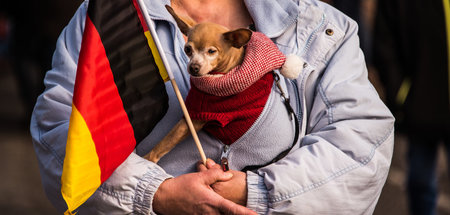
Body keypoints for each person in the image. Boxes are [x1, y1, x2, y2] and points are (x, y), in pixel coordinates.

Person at [31, 0, 395, 214]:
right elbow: (59, 124)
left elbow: (361, 143)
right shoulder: (112, 14)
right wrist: (156, 193)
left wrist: (254, 192)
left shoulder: (320, 28)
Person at [373, 0, 450, 214]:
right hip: (420, 105)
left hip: (421, 101)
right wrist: (401, 92)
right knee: (421, 183)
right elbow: (384, 40)